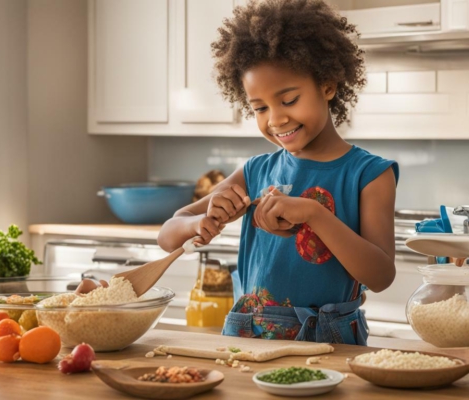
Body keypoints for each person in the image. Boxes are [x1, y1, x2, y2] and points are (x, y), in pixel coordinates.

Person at [157, 0, 399, 345]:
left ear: (327, 86)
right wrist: (200, 222)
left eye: (288, 100)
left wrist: (314, 214)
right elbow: (167, 235)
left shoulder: (370, 174)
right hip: (248, 336)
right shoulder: (255, 171)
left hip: (328, 339)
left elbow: (381, 276)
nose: (275, 119)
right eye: (260, 108)